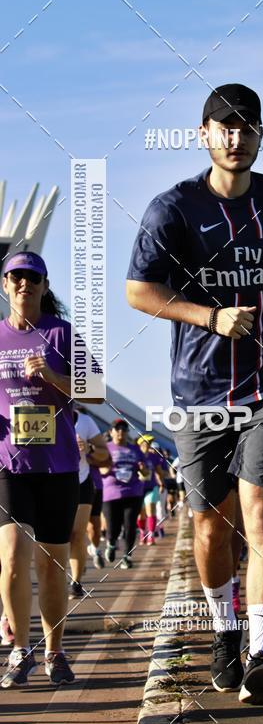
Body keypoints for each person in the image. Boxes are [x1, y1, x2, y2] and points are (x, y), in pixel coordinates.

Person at [126, 83, 263, 704]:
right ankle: (226, 628)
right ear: (205, 134)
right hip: (202, 389)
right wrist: (208, 317)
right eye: (224, 128)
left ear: (261, 134)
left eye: (247, 127)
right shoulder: (173, 208)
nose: (237, 138)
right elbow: (139, 291)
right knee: (211, 525)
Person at [0, 252, 103, 687]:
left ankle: (55, 653)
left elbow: (96, 392)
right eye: (16, 277)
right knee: (11, 561)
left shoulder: (62, 334)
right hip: (9, 464)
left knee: (51, 563)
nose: (24, 284)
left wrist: (55, 377)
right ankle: (19, 651)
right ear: (5, 285)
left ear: (44, 285)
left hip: (58, 465)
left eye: (33, 278)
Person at [69, 409, 109, 598]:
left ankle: (76, 582)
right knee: (57, 537)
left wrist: (89, 448)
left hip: (82, 481)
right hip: (50, 481)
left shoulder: (85, 421)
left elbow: (105, 455)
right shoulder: (40, 411)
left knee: (77, 534)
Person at [100, 419, 147, 569]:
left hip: (133, 492)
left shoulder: (135, 449)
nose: (121, 432)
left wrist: (142, 468)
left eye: (124, 429)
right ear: (111, 432)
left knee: (130, 525)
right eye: (117, 429)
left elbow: (146, 472)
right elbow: (101, 470)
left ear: (127, 432)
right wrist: (107, 467)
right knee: (113, 526)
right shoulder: (105, 448)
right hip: (111, 493)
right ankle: (111, 543)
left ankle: (127, 556)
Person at [136, 436, 165, 545]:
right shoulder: (136, 456)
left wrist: (161, 483)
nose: (148, 444)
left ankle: (151, 536)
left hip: (151, 487)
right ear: (140, 444)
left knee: (151, 511)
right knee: (140, 514)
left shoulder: (153, 457)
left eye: (150, 442)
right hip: (138, 488)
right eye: (146, 442)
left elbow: (159, 471)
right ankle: (143, 533)